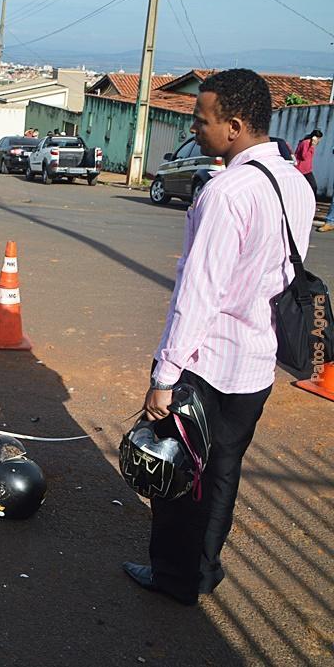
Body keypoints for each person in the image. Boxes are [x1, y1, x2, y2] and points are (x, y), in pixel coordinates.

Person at [126, 69, 314, 606]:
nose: (194, 127)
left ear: (233, 126)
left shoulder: (227, 191)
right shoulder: (295, 185)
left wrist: (165, 376)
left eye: (200, 119)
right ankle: (205, 568)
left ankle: (175, 578)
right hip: (256, 363)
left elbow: (198, 295)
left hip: (207, 364)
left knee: (178, 474)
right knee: (223, 471)